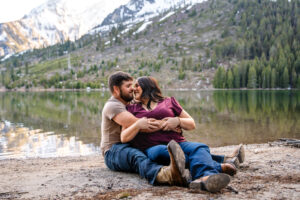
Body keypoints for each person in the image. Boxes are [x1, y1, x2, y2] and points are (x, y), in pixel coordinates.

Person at [121, 76, 245, 192]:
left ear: (148, 86)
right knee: (164, 152)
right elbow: (124, 136)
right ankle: (218, 166)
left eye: (137, 85)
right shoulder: (130, 109)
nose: (133, 88)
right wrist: (138, 126)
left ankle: (206, 178)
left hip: (179, 142)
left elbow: (191, 123)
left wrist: (177, 121)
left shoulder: (169, 102)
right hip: (153, 147)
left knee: (200, 147)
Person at [101, 71, 191, 186]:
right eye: (128, 86)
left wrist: (176, 121)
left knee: (154, 155)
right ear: (116, 89)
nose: (132, 89)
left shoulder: (131, 102)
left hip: (131, 144)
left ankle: (215, 161)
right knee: (137, 157)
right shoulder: (113, 106)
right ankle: (165, 175)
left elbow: (147, 118)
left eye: (133, 85)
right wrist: (169, 124)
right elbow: (143, 126)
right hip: (113, 150)